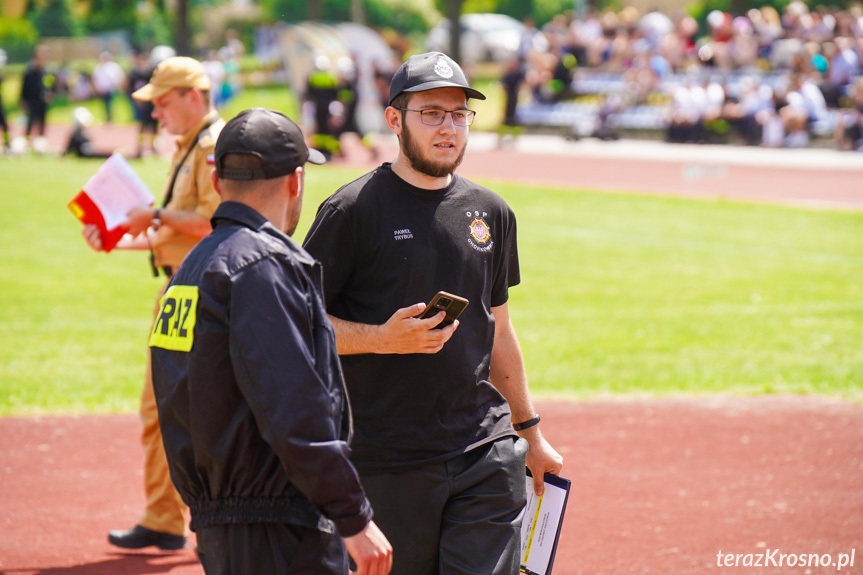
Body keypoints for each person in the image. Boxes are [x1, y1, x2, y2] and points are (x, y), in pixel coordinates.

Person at [302, 51, 564, 575]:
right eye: (431, 114)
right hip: (385, 459)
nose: (448, 128)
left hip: (483, 450)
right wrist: (380, 337)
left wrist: (529, 431)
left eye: (459, 114)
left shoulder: (491, 213)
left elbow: (499, 330)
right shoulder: (351, 211)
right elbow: (300, 328)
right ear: (395, 119)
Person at [148, 107, 393, 575]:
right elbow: (295, 407)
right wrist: (354, 517)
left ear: (217, 180)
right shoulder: (262, 266)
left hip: (217, 521)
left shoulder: (190, 268)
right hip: (280, 527)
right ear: (296, 181)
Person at [81, 56, 225, 551]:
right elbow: (173, 233)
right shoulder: (188, 146)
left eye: (162, 102)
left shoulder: (210, 148)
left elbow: (219, 222)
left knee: (175, 408)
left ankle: (183, 515)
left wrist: (157, 213)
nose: (156, 113)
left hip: (196, 292)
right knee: (165, 408)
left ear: (193, 95)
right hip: (180, 288)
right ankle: (166, 516)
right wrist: (116, 239)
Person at [20, 45, 52, 149]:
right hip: (32, 100)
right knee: (30, 122)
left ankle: (40, 143)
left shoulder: (45, 72)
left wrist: (49, 94)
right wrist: (23, 99)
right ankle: (27, 141)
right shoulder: (29, 72)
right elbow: (24, 87)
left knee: (42, 122)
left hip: (42, 101)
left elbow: (48, 85)